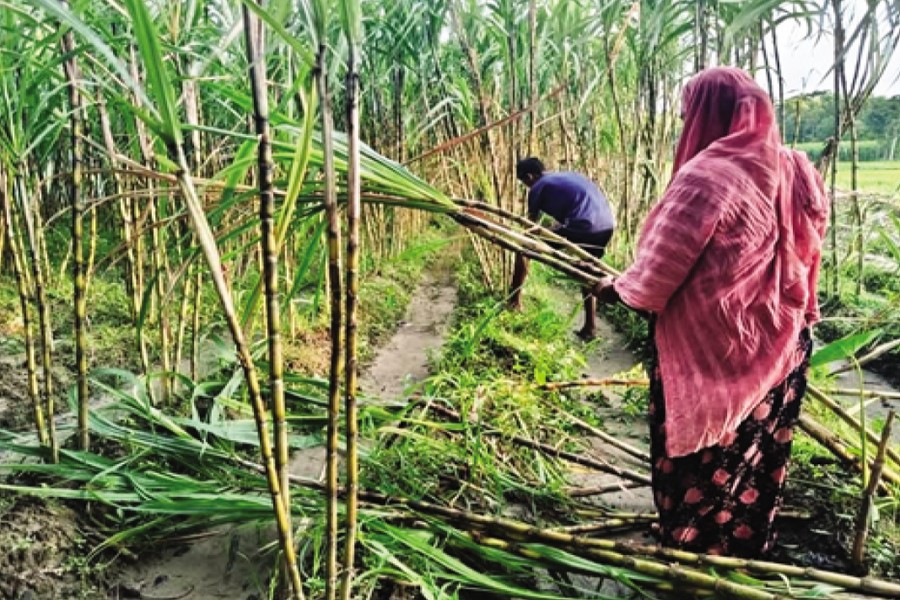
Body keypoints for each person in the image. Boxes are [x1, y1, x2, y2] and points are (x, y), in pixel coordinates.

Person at [592, 67, 828, 558]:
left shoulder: (707, 175)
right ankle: (740, 550)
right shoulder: (796, 169)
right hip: (784, 347)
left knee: (698, 460)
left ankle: (688, 555)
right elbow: (809, 254)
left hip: (714, 356)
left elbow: (656, 276)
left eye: (687, 114)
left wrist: (614, 287)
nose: (684, 125)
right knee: (756, 460)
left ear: (707, 114)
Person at [509, 158, 615, 340]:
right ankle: (590, 327)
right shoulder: (565, 176)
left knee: (524, 247)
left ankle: (513, 301)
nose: (526, 187)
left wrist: (530, 236)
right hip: (606, 226)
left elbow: (530, 227)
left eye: (524, 182)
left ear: (529, 176)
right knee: (586, 270)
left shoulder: (537, 187)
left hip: (583, 226)